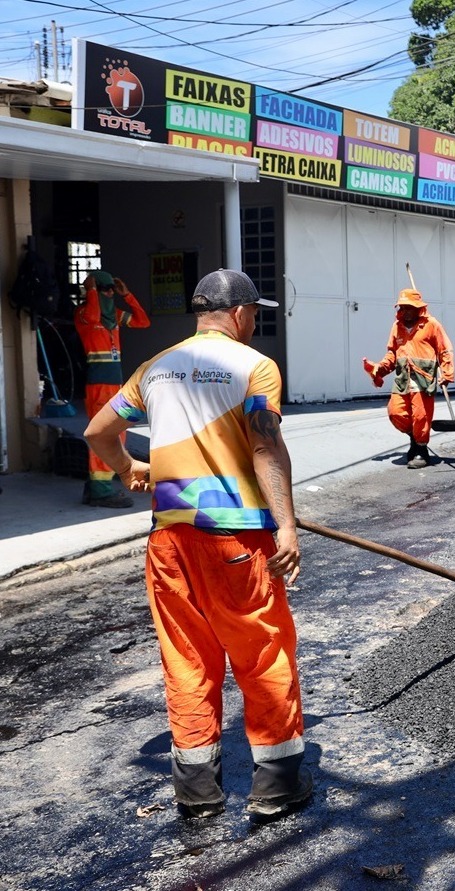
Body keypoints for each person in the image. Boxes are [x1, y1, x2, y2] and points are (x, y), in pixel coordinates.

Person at [83, 269, 311, 822]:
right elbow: (264, 447)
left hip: (170, 541)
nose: (256, 323)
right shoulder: (254, 367)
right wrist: (286, 524)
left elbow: (97, 433)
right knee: (262, 652)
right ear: (238, 313)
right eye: (256, 313)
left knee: (186, 660)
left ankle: (197, 793)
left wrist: (130, 468)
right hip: (235, 539)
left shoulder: (155, 369)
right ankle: (276, 785)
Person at [75, 269, 150, 507]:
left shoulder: (114, 316)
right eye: (104, 288)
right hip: (98, 385)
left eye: (110, 289)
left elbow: (142, 321)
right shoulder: (85, 314)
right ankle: (100, 491)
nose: (109, 293)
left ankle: (101, 484)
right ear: (93, 291)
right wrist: (91, 290)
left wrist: (126, 295)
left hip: (115, 384)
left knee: (119, 433)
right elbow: (94, 313)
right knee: (104, 434)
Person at [362, 288, 455, 469]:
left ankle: (421, 450)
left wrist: (447, 372)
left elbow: (444, 350)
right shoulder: (397, 327)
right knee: (395, 412)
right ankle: (415, 438)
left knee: (421, 417)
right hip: (403, 380)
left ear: (418, 308)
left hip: (423, 380)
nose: (404, 311)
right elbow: (392, 354)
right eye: (402, 308)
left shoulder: (432, 325)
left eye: (408, 307)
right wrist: (378, 369)